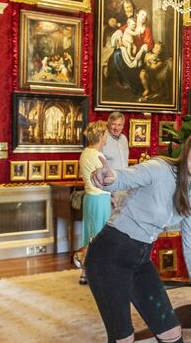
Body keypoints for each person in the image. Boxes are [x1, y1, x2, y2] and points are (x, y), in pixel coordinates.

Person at [84, 129, 191, 343]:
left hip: (140, 261)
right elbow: (125, 177)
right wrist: (109, 177)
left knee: (171, 332)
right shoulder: (160, 168)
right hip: (108, 257)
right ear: (188, 149)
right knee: (123, 338)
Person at [78, 120, 111, 285]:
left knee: (89, 235)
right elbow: (106, 179)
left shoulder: (85, 153)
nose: (106, 137)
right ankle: (98, 274)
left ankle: (85, 272)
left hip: (89, 198)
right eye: (105, 134)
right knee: (100, 238)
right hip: (100, 198)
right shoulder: (99, 156)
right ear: (100, 136)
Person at [101, 112, 130, 208]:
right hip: (110, 188)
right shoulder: (103, 139)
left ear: (123, 126)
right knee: (109, 219)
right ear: (108, 124)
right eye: (113, 124)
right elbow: (98, 165)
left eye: (119, 125)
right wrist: (105, 192)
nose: (116, 128)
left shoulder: (124, 139)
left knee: (122, 218)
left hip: (124, 186)